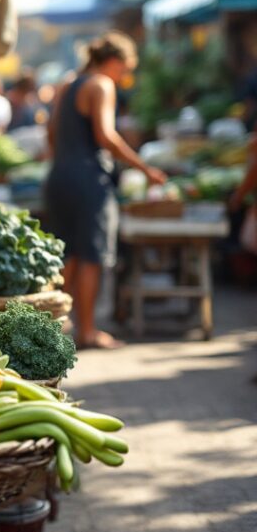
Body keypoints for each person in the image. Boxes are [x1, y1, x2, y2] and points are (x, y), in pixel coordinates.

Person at [43, 32, 166, 350]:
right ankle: (87, 332)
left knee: (67, 256)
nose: (124, 77)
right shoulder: (101, 84)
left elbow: (52, 132)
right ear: (113, 61)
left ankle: (54, 330)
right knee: (91, 257)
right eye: (125, 69)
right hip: (89, 181)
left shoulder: (68, 83)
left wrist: (66, 162)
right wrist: (145, 169)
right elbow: (106, 136)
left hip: (59, 177)